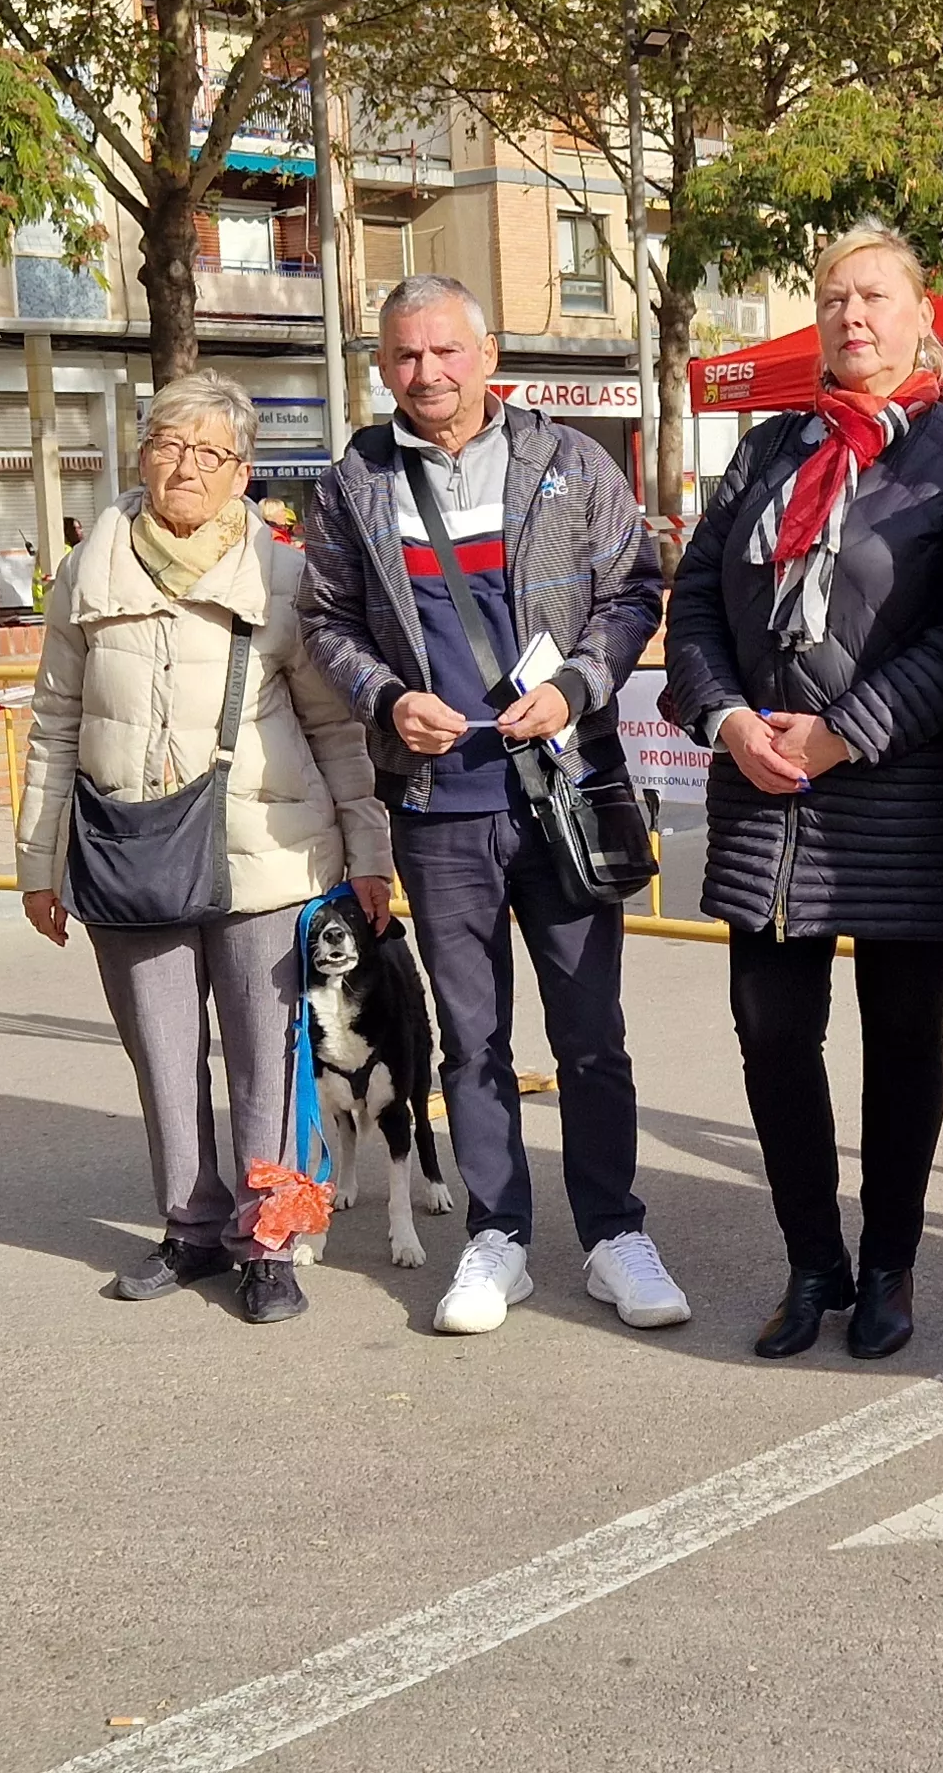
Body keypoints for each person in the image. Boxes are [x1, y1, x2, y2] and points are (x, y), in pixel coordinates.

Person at [299, 275, 684, 1336]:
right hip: (438, 805)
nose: (427, 373)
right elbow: (328, 619)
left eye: (446, 352)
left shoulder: (570, 462)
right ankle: (497, 1235)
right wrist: (385, 697)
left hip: (560, 797)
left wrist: (574, 687)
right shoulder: (352, 484)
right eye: (405, 357)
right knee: (470, 1041)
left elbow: (633, 590)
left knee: (590, 1033)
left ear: (487, 352)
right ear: (382, 366)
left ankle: (614, 1234)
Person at [664, 226, 943, 1362]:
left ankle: (890, 1267)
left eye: (873, 297)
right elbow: (700, 604)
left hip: (904, 795)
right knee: (772, 1036)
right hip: (766, 792)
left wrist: (843, 735)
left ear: (921, 318)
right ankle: (811, 1261)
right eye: (831, 298)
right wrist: (724, 717)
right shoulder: (770, 450)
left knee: (902, 1039)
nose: (850, 316)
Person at [17, 371, 395, 1324]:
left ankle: (272, 1240)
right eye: (166, 445)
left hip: (268, 851)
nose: (184, 467)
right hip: (126, 847)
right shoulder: (89, 566)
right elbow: (56, 719)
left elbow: (338, 730)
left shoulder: (283, 575)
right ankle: (191, 1227)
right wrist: (36, 861)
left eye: (209, 452)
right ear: (140, 455)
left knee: (271, 1059)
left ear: (243, 471)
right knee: (162, 1051)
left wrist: (369, 853)